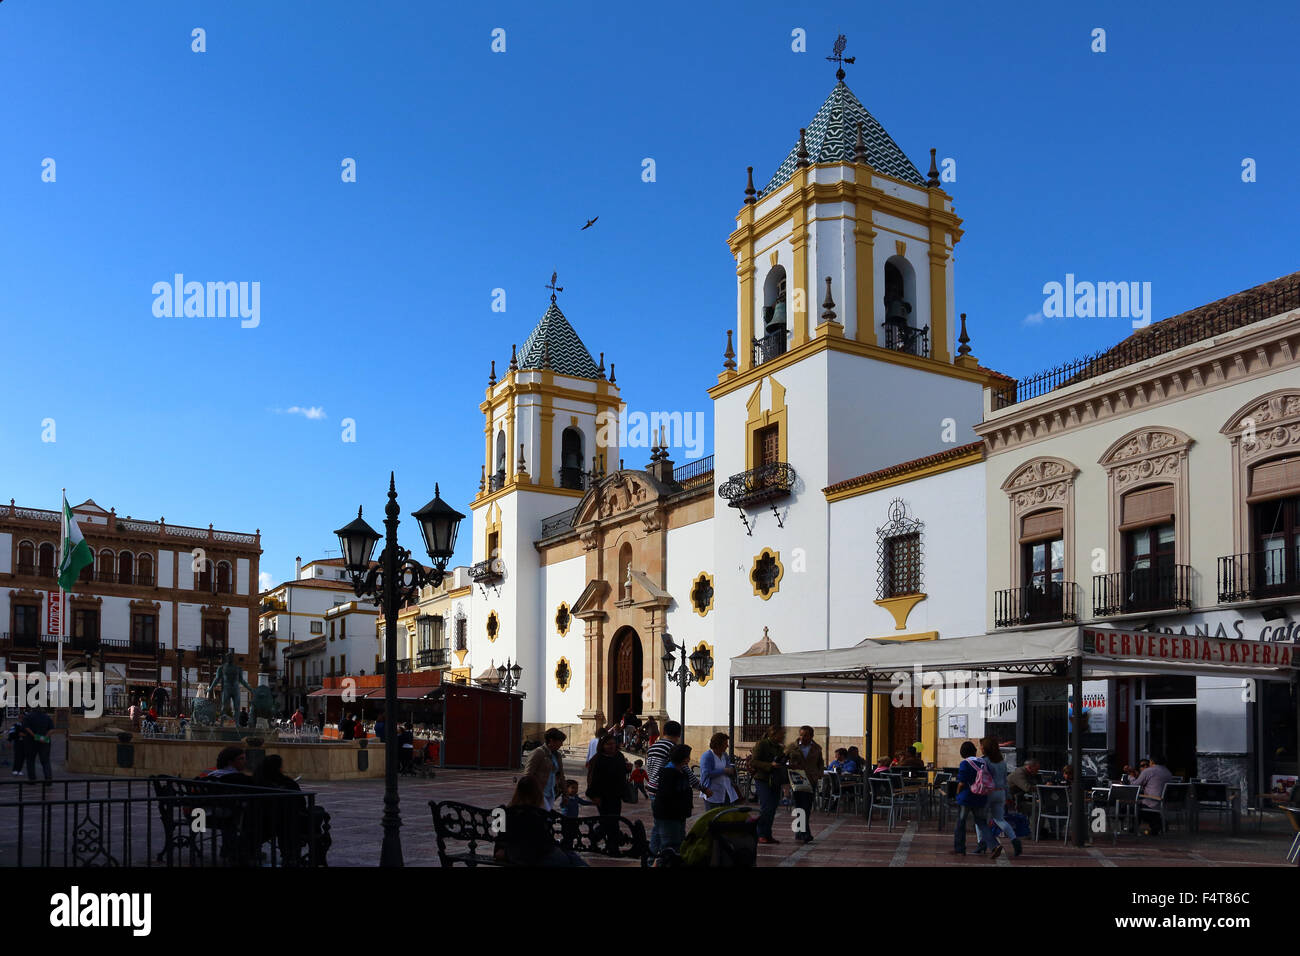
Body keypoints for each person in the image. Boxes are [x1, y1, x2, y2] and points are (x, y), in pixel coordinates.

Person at [645, 720, 709, 856]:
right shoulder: (673, 749)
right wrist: (702, 788)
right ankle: (663, 856)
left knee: (659, 826)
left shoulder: (653, 747)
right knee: (668, 828)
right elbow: (686, 770)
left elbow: (649, 767)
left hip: (652, 788)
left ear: (663, 732)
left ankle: (652, 856)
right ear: (679, 734)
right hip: (666, 791)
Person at [495, 776, 586, 867]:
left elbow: (500, 842)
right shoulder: (537, 814)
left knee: (569, 856)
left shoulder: (505, 812)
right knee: (570, 857)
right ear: (537, 793)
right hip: (536, 857)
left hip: (515, 854)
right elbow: (543, 843)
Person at [586, 732, 629, 854]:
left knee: (612, 820)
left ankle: (598, 838)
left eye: (613, 744)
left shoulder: (619, 756)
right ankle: (611, 846)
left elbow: (621, 772)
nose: (612, 746)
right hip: (602, 796)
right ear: (602, 745)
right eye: (608, 744)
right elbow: (592, 778)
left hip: (616, 795)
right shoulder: (597, 759)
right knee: (609, 821)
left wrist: (627, 769)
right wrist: (594, 795)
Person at [980, 737, 1021, 858]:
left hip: (988, 793)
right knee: (1000, 819)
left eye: (982, 746)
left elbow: (982, 779)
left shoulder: (984, 761)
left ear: (986, 748)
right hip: (1000, 793)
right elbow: (1005, 780)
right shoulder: (1002, 762)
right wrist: (1008, 795)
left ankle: (982, 843)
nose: (980, 748)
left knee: (980, 820)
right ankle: (1015, 840)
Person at [652, 744, 694, 858]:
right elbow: (667, 796)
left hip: (679, 816)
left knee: (678, 843)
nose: (689, 759)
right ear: (683, 758)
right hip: (668, 816)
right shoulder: (668, 773)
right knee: (669, 846)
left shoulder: (682, 772)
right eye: (687, 756)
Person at [785, 725, 825, 844]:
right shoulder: (793, 747)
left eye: (806, 735)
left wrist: (819, 773)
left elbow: (820, 763)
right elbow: (784, 759)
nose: (803, 737)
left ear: (811, 736)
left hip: (811, 779)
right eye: (801, 734)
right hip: (798, 779)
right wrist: (790, 767)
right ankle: (805, 833)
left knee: (807, 806)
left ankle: (799, 832)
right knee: (800, 806)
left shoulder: (817, 748)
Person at [952, 740, 993, 855]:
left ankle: (960, 848)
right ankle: (990, 845)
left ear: (962, 752)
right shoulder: (983, 762)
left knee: (961, 822)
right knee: (981, 822)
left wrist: (957, 794)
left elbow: (961, 782)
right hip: (981, 796)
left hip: (967, 797)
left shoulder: (965, 763)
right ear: (975, 751)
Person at [750, 725, 787, 845]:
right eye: (782, 734)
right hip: (763, 779)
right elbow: (754, 761)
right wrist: (770, 765)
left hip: (775, 780)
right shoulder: (762, 744)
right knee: (766, 807)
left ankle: (768, 834)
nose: (783, 736)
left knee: (773, 808)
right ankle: (760, 833)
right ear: (774, 734)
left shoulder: (779, 747)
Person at [524, 727, 567, 809]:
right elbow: (528, 775)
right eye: (560, 741)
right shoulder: (538, 753)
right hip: (539, 793)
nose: (561, 744)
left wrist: (565, 794)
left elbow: (561, 775)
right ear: (551, 740)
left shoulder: (557, 755)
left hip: (551, 793)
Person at [1133, 754, 1174, 836]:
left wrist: (1131, 777)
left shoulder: (1149, 771)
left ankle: (1133, 829)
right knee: (1141, 803)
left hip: (1152, 803)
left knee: (1132, 805)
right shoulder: (1168, 772)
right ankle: (1157, 824)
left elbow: (1134, 785)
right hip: (1163, 803)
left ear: (1151, 761)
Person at [699, 732, 739, 809]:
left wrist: (731, 769)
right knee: (713, 817)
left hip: (726, 790)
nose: (727, 745)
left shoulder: (725, 755)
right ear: (718, 744)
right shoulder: (707, 756)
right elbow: (706, 773)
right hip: (712, 792)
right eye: (725, 743)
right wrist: (724, 771)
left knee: (727, 815)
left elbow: (729, 766)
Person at [20, 706, 54, 782]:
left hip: (30, 742)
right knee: (45, 761)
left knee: (30, 761)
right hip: (44, 742)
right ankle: (48, 779)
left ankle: (32, 780)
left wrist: (35, 736)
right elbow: (51, 729)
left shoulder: (28, 717)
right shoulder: (47, 717)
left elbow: (26, 728)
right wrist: (44, 737)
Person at [559, 780, 595, 849]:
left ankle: (568, 846)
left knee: (572, 834)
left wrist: (592, 803)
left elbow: (583, 802)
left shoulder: (576, 797)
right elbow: (562, 805)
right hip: (566, 820)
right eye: (573, 788)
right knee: (567, 834)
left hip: (574, 820)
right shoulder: (565, 798)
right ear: (566, 789)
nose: (575, 790)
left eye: (576, 788)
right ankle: (565, 845)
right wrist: (564, 802)